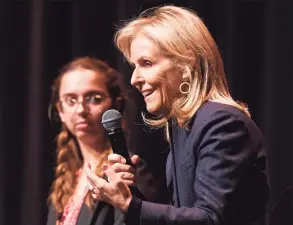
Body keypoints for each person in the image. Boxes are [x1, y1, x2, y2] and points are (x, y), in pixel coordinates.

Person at [84, 5, 270, 225]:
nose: (134, 79)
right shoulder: (184, 126)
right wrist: (129, 195)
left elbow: (210, 219)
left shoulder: (222, 123)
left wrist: (129, 205)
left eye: (146, 63)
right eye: (135, 66)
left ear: (185, 64)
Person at [46, 56, 130, 225]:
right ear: (60, 111)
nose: (80, 110)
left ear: (116, 105)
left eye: (93, 98)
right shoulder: (67, 182)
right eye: (71, 100)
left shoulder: (124, 170)